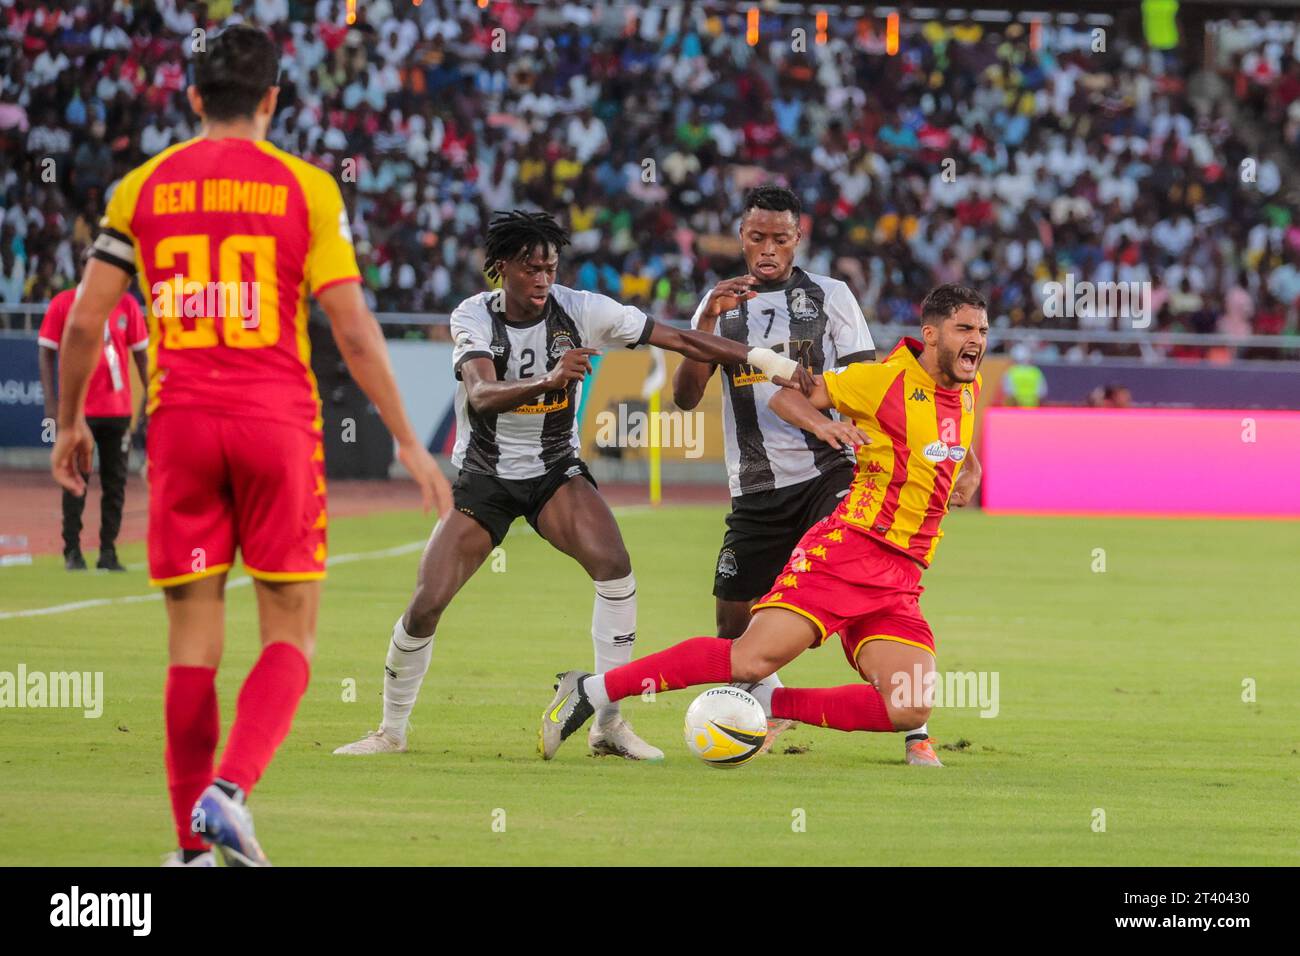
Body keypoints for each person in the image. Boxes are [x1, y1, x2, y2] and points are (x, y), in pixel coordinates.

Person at [49, 24, 450, 867]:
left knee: (193, 643)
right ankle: (228, 797)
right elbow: (352, 328)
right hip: (275, 428)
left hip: (183, 427)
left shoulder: (142, 186)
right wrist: (411, 443)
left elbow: (86, 318)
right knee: (291, 637)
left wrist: (74, 419)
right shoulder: (306, 189)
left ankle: (188, 853)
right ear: (273, 99)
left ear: (193, 97)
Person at [334, 209, 812, 760]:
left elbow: (678, 339)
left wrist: (764, 360)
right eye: (530, 269)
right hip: (484, 479)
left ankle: (607, 723)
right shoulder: (473, 316)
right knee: (426, 603)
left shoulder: (583, 309)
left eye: (550, 268)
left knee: (615, 567)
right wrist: (551, 378)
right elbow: (482, 395)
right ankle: (391, 732)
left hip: (554, 471)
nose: (542, 280)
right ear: (500, 268)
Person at [540, 285, 988, 766]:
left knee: (908, 704)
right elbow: (786, 397)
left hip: (901, 578)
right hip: (849, 553)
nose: (977, 340)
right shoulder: (882, 381)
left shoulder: (967, 388)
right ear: (931, 334)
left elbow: (948, 441)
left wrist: (971, 469)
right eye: (964, 328)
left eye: (982, 330)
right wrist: (824, 426)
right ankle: (590, 689)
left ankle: (772, 704)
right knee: (749, 659)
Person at [673, 185, 979, 763]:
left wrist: (960, 455)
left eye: (780, 238)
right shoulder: (716, 305)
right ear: (741, 237)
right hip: (756, 485)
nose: (767, 249)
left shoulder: (831, 296)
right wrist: (708, 326)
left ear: (798, 237)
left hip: (830, 471)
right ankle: (748, 719)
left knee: (869, 576)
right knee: (732, 620)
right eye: (756, 237)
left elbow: (872, 388)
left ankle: (913, 724)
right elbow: (685, 397)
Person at [38, 280, 147, 571]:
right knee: (76, 482)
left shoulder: (127, 305)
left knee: (116, 484)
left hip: (118, 409)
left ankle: (108, 552)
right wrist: (52, 405)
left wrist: (153, 398)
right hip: (79, 412)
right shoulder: (64, 303)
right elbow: (46, 350)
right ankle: (72, 551)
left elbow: (141, 355)